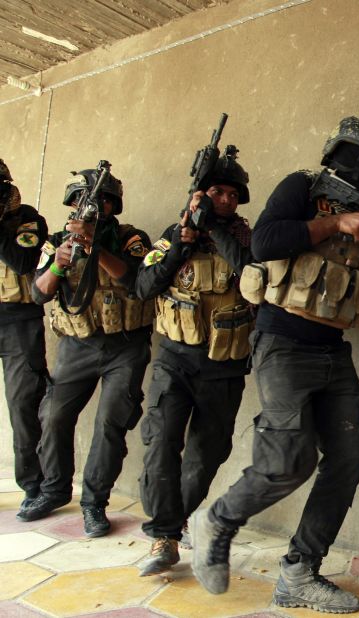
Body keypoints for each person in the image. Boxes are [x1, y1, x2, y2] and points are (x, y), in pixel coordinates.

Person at [191, 116, 359, 614]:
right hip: (283, 343)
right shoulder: (303, 189)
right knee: (289, 459)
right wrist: (334, 222)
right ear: (353, 156)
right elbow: (264, 243)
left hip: (333, 351)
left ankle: (299, 573)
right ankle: (218, 521)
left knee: (351, 452)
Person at [134, 149, 255, 576]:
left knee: (207, 453)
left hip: (224, 366)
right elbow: (144, 288)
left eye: (229, 194)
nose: (222, 198)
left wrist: (212, 229)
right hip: (174, 361)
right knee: (162, 441)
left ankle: (177, 518)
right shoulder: (175, 234)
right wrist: (177, 249)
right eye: (214, 191)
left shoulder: (247, 238)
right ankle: (163, 535)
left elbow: (249, 272)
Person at [18, 165, 153, 538]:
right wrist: (60, 264)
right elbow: (38, 292)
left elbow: (136, 279)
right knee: (54, 414)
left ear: (113, 205)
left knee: (111, 423)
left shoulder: (130, 238)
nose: (90, 208)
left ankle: (95, 503)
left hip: (125, 345)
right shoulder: (58, 241)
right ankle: (54, 489)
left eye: (99, 201)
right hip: (77, 344)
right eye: (81, 201)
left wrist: (96, 248)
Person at [0, 159, 50, 516]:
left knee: (23, 405)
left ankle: (33, 485)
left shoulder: (28, 218)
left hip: (19, 321)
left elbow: (21, 261)